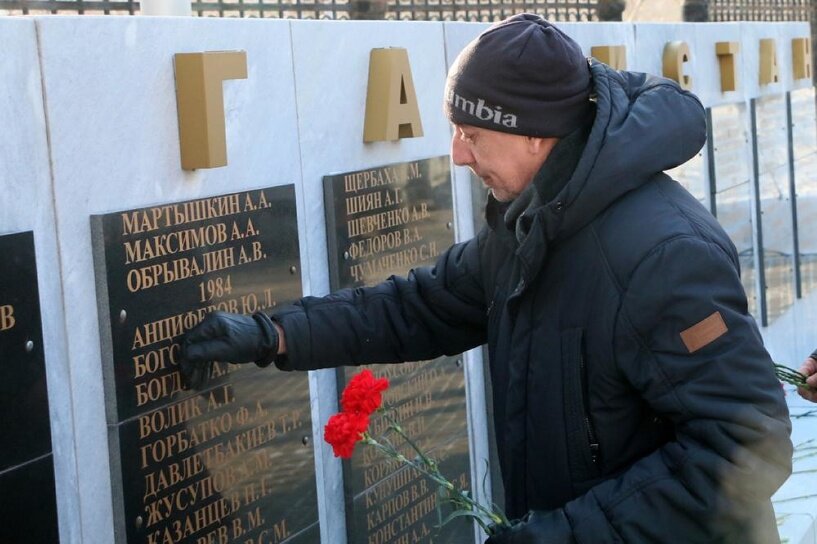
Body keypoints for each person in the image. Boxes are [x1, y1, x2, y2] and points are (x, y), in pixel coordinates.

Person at [180, 14, 793, 543]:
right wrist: (273, 334)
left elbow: (746, 446)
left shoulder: (662, 254)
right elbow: (418, 307)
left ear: (535, 134)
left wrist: (563, 536)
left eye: (473, 134)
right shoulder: (536, 224)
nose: (458, 154)